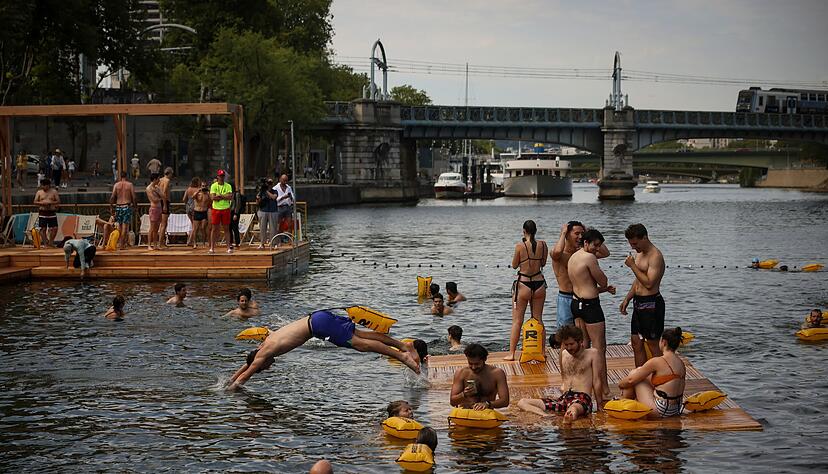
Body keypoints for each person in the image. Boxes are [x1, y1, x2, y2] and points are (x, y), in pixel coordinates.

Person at [226, 310, 421, 389]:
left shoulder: (263, 356)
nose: (269, 367)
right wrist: (229, 379)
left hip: (318, 327)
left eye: (264, 368)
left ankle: (402, 356)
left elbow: (246, 375)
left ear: (260, 363)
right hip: (318, 317)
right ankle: (404, 345)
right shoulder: (263, 346)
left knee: (360, 345)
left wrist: (230, 390)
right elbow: (247, 364)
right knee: (362, 335)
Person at [517, 325, 603, 422]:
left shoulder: (592, 354)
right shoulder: (564, 354)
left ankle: (569, 420)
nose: (569, 348)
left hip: (581, 399)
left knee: (572, 411)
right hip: (564, 399)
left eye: (572, 344)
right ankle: (545, 415)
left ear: (580, 341)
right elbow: (565, 377)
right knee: (522, 402)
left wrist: (600, 407)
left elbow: (597, 381)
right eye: (566, 345)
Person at [568, 228, 615, 398]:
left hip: (576, 304)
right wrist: (604, 285)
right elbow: (602, 280)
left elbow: (585, 284)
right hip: (590, 306)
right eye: (595, 246)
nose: (597, 250)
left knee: (583, 347)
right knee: (599, 348)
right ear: (586, 243)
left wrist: (603, 290)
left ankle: (581, 384)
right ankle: (604, 388)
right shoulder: (589, 258)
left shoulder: (574, 257)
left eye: (599, 246)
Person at [619, 224, 666, 368]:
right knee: (636, 342)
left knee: (652, 343)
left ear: (644, 237)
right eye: (631, 244)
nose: (633, 247)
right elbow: (638, 279)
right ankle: (641, 376)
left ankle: (662, 374)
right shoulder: (640, 253)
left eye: (635, 243)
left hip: (652, 303)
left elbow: (650, 283)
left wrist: (632, 265)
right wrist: (627, 298)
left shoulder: (655, 256)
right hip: (638, 303)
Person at [551, 221, 610, 329]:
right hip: (566, 297)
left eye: (582, 234)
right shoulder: (560, 254)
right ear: (568, 235)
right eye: (576, 233)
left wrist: (590, 233)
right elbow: (556, 252)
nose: (580, 237)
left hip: (581, 299)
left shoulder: (583, 253)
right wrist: (563, 233)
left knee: (583, 336)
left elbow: (605, 253)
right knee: (565, 332)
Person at [618, 327, 686, 418]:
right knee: (641, 375)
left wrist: (620, 384)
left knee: (634, 374)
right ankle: (626, 404)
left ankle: (623, 405)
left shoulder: (657, 361)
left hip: (661, 410)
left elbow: (631, 380)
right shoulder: (680, 363)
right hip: (676, 409)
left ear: (663, 342)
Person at [505, 220, 548, 361]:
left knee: (517, 321)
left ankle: (512, 353)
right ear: (536, 230)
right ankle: (542, 351)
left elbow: (514, 265)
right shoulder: (543, 245)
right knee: (538, 319)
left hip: (523, 284)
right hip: (539, 283)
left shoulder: (520, 246)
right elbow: (543, 263)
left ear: (524, 230)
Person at [450, 343, 509, 410]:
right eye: (470, 363)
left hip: (486, 413)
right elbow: (452, 402)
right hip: (466, 412)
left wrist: (487, 404)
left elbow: (505, 401)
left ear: (484, 359)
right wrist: (464, 394)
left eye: (477, 364)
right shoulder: (461, 373)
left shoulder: (497, 373)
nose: (473, 367)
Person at [110, 171, 137, 250]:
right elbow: (134, 197)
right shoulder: (130, 185)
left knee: (120, 226)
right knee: (125, 226)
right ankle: (122, 244)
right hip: (126, 206)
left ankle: (121, 243)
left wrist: (111, 207)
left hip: (118, 207)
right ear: (127, 176)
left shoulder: (116, 185)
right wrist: (135, 206)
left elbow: (112, 197)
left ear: (120, 176)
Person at [209, 170, 233, 253]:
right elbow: (212, 198)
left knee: (226, 228)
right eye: (220, 176)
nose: (222, 177)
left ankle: (228, 247)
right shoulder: (213, 186)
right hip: (216, 209)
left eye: (223, 176)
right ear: (217, 177)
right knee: (214, 228)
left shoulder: (228, 186)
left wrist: (220, 196)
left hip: (225, 208)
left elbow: (230, 196)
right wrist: (224, 196)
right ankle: (212, 247)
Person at [33, 178, 60, 247]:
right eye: (42, 185)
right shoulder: (39, 192)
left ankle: (51, 242)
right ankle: (45, 243)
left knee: (54, 228)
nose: (43, 187)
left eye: (44, 185)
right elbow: (35, 202)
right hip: (42, 212)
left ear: (48, 185)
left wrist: (50, 203)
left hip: (51, 212)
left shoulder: (54, 191)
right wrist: (42, 203)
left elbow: (58, 201)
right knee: (43, 228)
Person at [256, 177, 278, 248]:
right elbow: (257, 202)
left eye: (271, 183)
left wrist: (266, 191)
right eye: (268, 183)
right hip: (263, 211)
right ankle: (262, 243)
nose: (269, 185)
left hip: (273, 211)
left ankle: (273, 243)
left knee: (273, 228)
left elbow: (274, 197)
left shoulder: (274, 191)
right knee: (262, 228)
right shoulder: (261, 192)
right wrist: (258, 198)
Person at [157, 167, 174, 250]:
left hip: (159, 202)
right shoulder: (167, 181)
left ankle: (162, 242)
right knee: (164, 224)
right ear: (169, 173)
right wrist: (164, 204)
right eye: (172, 174)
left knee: (163, 224)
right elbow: (163, 192)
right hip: (164, 201)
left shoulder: (160, 180)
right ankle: (160, 244)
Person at [146, 173, 163, 250]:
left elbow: (164, 196)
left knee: (157, 228)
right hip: (154, 208)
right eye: (158, 179)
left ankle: (155, 244)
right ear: (155, 179)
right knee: (152, 227)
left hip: (159, 208)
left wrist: (158, 192)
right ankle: (149, 245)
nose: (159, 180)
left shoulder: (157, 187)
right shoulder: (149, 188)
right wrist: (159, 197)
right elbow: (154, 199)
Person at [191, 180, 211, 248]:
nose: (204, 187)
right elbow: (193, 197)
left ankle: (203, 243)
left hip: (204, 212)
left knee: (203, 228)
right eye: (203, 186)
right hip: (197, 211)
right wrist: (198, 190)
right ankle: (194, 243)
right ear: (200, 186)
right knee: (195, 229)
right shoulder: (198, 193)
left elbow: (211, 201)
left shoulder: (207, 194)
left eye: (205, 186)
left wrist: (209, 192)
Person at [183, 177, 201, 246]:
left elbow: (184, 199)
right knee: (195, 225)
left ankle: (190, 240)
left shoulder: (188, 189)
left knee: (193, 224)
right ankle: (190, 241)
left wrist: (187, 203)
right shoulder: (198, 190)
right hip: (195, 207)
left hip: (188, 207)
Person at [229, 182, 246, 248]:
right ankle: (230, 242)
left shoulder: (236, 194)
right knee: (229, 228)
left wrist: (236, 214)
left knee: (235, 227)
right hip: (228, 212)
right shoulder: (228, 194)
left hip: (235, 212)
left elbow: (238, 204)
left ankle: (237, 242)